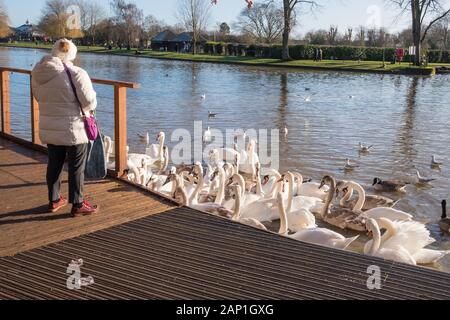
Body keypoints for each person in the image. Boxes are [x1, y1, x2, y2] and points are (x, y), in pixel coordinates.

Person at [31, 39, 99, 217]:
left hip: (50, 125)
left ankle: (54, 200)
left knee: (54, 163)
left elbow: (37, 96)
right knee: (77, 166)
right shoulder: (77, 73)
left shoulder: (38, 72)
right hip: (73, 128)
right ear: (72, 55)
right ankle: (77, 203)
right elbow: (89, 101)